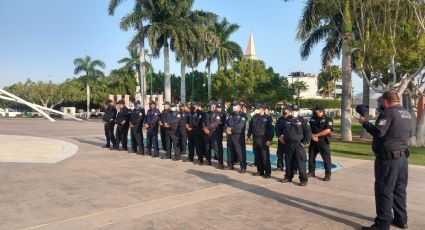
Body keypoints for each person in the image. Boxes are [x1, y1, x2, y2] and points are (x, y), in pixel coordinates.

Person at [359, 91, 412, 230]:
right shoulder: (406, 113)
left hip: (388, 159)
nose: (381, 104)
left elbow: (379, 132)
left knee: (384, 190)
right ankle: (401, 220)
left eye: (381, 101)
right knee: (399, 189)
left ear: (385, 100)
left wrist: (365, 123)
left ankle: (382, 225)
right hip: (402, 158)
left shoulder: (388, 113)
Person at [279, 104, 311, 186]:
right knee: (288, 162)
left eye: (296, 111)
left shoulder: (303, 121)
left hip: (298, 145)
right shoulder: (287, 120)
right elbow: (282, 130)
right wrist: (281, 136)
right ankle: (288, 177)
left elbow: (308, 133)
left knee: (300, 163)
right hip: (288, 144)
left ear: (299, 111)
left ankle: (303, 179)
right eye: (292, 110)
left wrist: (304, 143)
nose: (294, 112)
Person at [247, 103, 274, 178]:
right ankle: (260, 171)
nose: (257, 109)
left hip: (264, 140)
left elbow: (271, 130)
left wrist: (269, 140)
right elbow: (250, 127)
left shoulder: (268, 118)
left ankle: (267, 173)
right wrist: (248, 136)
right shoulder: (254, 117)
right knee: (257, 156)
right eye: (256, 108)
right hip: (255, 139)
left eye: (258, 108)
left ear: (263, 109)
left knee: (265, 157)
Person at [308, 105, 333, 181]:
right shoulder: (312, 118)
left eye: (316, 111)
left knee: (326, 159)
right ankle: (311, 172)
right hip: (313, 141)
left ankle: (327, 175)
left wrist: (317, 135)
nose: (314, 112)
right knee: (311, 158)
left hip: (323, 141)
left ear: (321, 111)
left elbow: (328, 130)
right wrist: (312, 136)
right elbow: (309, 129)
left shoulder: (328, 119)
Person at [226, 100, 247, 173]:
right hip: (230, 135)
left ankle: (243, 167)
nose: (234, 107)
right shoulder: (231, 114)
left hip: (238, 136)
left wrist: (231, 128)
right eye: (233, 105)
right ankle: (230, 165)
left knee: (240, 151)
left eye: (235, 105)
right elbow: (227, 122)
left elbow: (240, 125)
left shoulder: (243, 115)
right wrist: (227, 128)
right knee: (229, 150)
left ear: (239, 106)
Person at [202, 101, 223, 169]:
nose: (211, 107)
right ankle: (208, 161)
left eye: (212, 106)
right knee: (207, 147)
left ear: (215, 106)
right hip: (207, 132)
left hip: (214, 133)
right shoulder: (207, 113)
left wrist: (207, 128)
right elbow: (203, 121)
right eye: (210, 106)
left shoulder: (218, 114)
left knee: (216, 148)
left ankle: (220, 163)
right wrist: (204, 128)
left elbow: (216, 123)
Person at [274, 105, 291, 171]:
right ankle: (279, 166)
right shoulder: (280, 119)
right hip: (280, 139)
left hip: (288, 140)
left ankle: (289, 168)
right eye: (283, 109)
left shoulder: (292, 119)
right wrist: (279, 136)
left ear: (289, 111)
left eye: (285, 109)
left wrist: (284, 135)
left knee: (288, 154)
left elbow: (291, 129)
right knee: (279, 153)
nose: (284, 110)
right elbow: (276, 128)